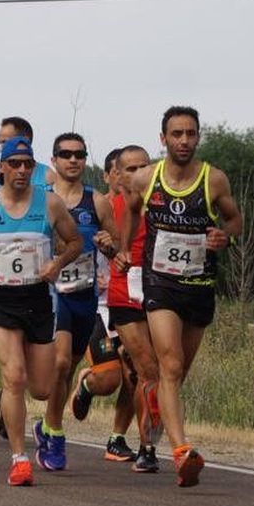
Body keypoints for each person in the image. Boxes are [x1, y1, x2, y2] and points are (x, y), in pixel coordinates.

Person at [123, 106, 243, 487]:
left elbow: (235, 220)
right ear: (163, 139)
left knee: (178, 373)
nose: (184, 141)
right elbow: (130, 210)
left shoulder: (214, 180)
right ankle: (181, 452)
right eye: (176, 134)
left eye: (190, 133)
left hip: (199, 286)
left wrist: (225, 236)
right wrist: (126, 248)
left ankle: (158, 417)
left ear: (198, 137)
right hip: (160, 284)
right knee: (169, 365)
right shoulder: (146, 178)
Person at [0, 136, 80, 486]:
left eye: (27, 164)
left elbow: (75, 242)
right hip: (0, 299)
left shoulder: (51, 204)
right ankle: (19, 458)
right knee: (14, 377)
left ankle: (12, 408)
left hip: (37, 299)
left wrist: (57, 262)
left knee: (40, 388)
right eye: (15, 164)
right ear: (3, 167)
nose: (22, 170)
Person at [33, 133, 103, 471]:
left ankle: (47, 424)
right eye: (65, 154)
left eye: (79, 154)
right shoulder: (39, 199)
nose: (73, 160)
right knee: (59, 364)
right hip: (50, 292)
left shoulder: (97, 201)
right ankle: (57, 436)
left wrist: (111, 245)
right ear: (55, 159)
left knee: (68, 370)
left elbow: (116, 244)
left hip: (84, 294)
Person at [69, 147, 141, 463]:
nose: (131, 176)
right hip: (96, 304)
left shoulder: (144, 210)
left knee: (135, 373)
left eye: (140, 169)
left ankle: (117, 438)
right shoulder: (96, 208)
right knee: (110, 378)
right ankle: (87, 384)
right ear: (110, 174)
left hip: (131, 301)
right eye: (124, 170)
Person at [97, 145, 164, 471]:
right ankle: (147, 447)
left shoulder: (163, 202)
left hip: (161, 291)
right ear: (117, 174)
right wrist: (108, 249)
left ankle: (146, 441)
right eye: (131, 168)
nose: (140, 173)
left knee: (164, 373)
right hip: (123, 295)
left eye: (145, 166)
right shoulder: (107, 206)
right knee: (145, 370)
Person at [0, 116, 51, 203]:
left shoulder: (49, 177)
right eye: (0, 143)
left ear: (25, 140)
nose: (1, 148)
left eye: (5, 142)